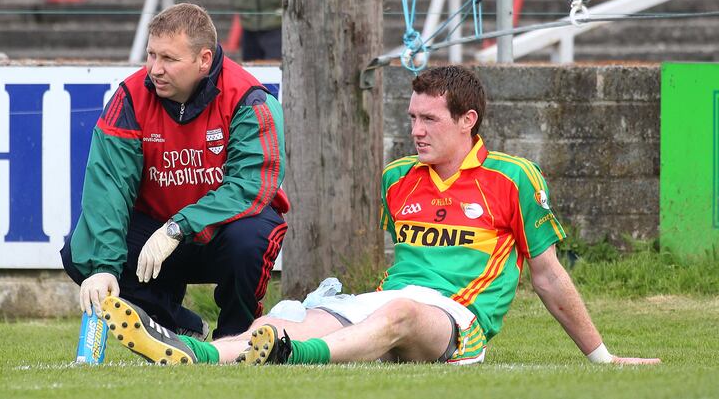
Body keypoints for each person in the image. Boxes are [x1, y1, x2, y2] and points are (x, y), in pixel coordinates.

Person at [98, 65, 659, 366]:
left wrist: (602, 357)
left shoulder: (514, 178)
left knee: (400, 314)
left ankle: (295, 358)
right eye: (411, 116)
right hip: (388, 299)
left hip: (456, 322)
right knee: (280, 323)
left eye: (429, 119)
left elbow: (548, 275)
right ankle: (191, 353)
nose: (415, 129)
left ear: (468, 121)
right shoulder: (397, 178)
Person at [60, 2, 289, 340]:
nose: (155, 68)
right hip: (156, 233)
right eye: (151, 55)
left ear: (204, 60)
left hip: (218, 233)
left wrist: (179, 227)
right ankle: (178, 323)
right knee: (79, 251)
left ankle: (236, 337)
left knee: (251, 238)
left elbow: (250, 187)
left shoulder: (249, 99)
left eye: (168, 59)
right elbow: (109, 186)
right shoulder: (130, 97)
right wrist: (104, 267)